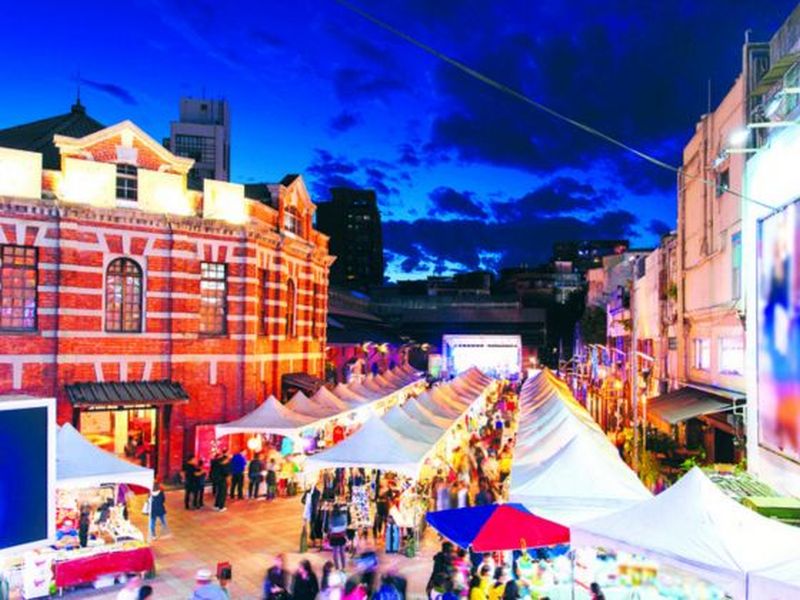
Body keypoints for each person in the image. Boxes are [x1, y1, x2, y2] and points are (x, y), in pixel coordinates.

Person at [328, 505, 349, 570]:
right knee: (342, 552)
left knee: (335, 553)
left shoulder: (331, 518)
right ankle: (343, 567)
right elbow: (345, 526)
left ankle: (337, 567)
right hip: (341, 536)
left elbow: (330, 528)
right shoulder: (343, 516)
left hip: (334, 537)